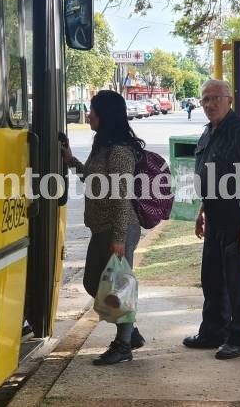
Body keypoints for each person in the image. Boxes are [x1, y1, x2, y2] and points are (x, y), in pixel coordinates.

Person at [61, 90, 146, 365]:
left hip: (118, 228)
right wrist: (72, 161)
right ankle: (129, 331)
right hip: (102, 228)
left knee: (117, 288)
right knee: (92, 283)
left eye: (92, 110)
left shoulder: (120, 152)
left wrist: (119, 239)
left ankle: (123, 346)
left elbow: (122, 198)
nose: (88, 115)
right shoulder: (104, 146)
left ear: (104, 115)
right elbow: (95, 181)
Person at [183, 79, 240, 360]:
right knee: (212, 279)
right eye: (205, 99)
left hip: (237, 220)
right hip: (214, 218)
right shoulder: (208, 132)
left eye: (216, 98)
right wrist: (201, 211)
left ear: (229, 100)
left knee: (235, 281)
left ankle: (239, 336)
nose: (209, 104)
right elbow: (210, 176)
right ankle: (213, 331)